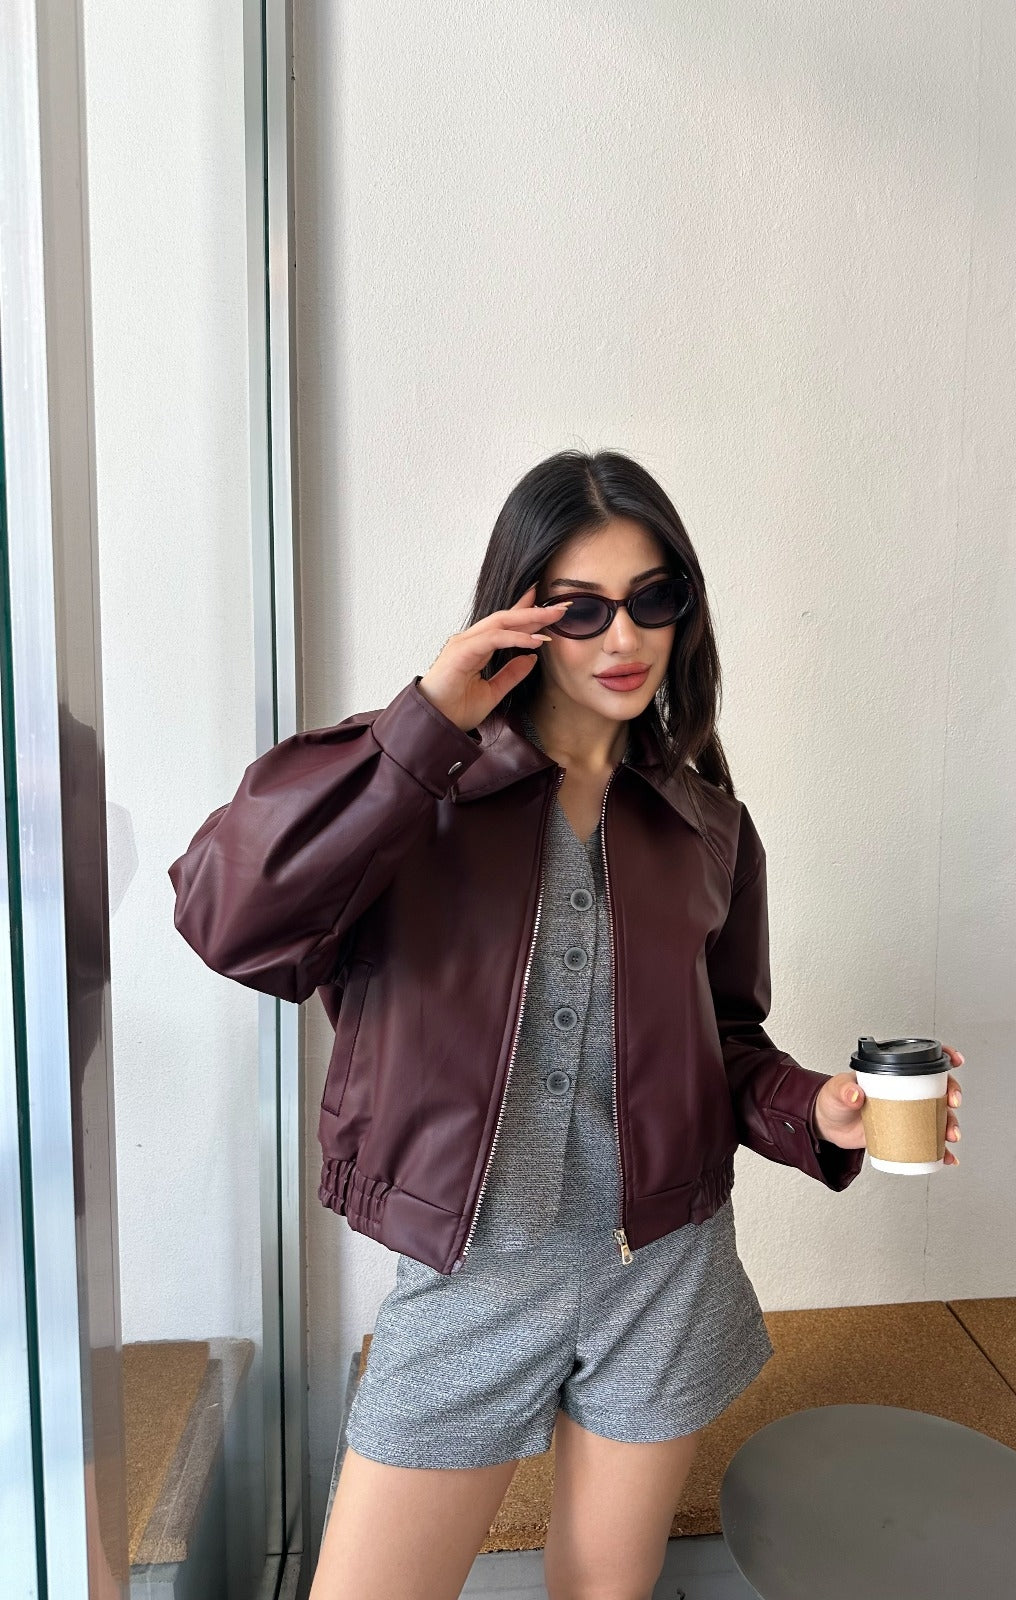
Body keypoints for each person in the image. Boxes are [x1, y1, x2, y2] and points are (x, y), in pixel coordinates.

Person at [170, 449, 964, 1600]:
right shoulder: (418, 789)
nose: (623, 635)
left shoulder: (707, 826)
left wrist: (821, 1110)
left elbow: (726, 1042)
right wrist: (422, 726)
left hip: (664, 1273)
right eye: (580, 608)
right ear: (521, 617)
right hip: (473, 1275)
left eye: (652, 597)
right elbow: (228, 919)